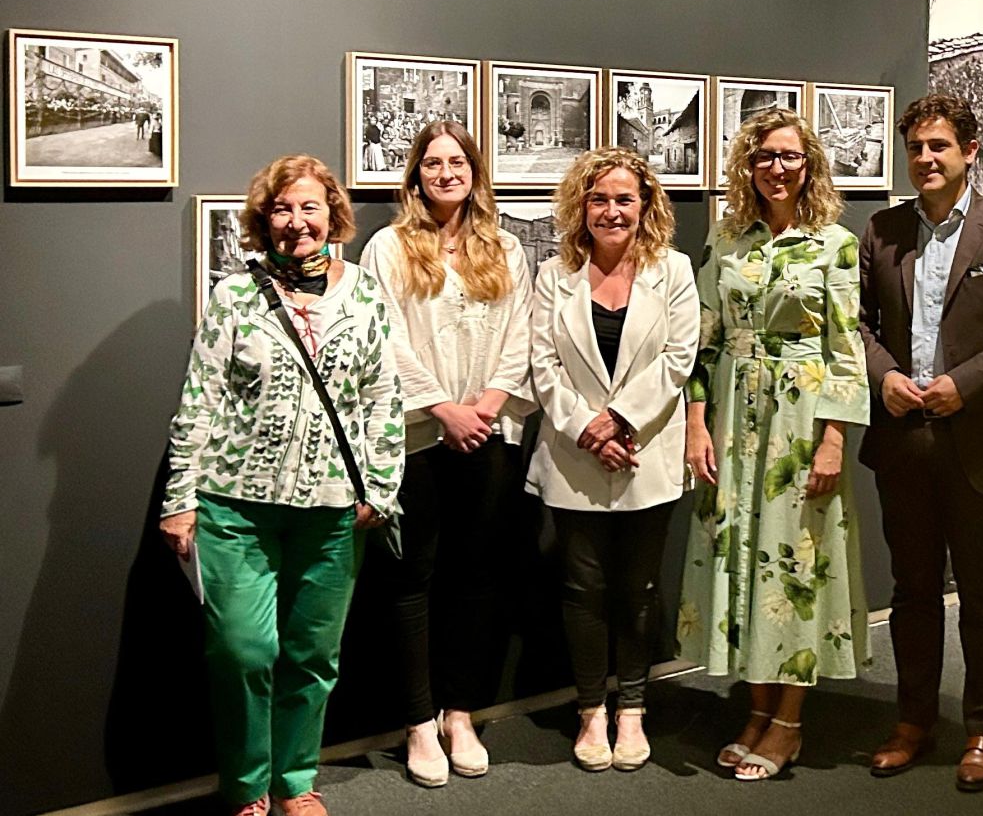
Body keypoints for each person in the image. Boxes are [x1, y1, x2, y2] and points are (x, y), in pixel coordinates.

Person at [157, 155, 405, 816]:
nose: (297, 222)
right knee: (243, 649)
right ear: (264, 220)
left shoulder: (366, 295)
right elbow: (200, 398)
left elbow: (384, 394)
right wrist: (179, 498)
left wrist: (382, 485)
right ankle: (246, 785)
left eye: (310, 207)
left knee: (313, 654)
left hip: (332, 511)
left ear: (334, 215)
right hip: (236, 507)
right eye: (282, 209)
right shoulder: (234, 297)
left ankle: (296, 780)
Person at [856, 93, 983, 791]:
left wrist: (964, 382)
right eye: (916, 147)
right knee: (912, 590)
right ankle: (913, 719)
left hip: (980, 439)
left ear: (969, 151)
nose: (926, 158)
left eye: (939, 145)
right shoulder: (881, 231)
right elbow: (857, 325)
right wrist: (883, 375)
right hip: (902, 439)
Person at [677, 108, 870, 782]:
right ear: (748, 166)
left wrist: (833, 441)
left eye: (789, 156)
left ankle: (788, 719)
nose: (777, 168)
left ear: (809, 163)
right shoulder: (728, 240)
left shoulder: (834, 244)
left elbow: (846, 352)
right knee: (740, 555)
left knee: (793, 564)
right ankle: (756, 709)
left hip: (801, 423)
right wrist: (697, 422)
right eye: (765, 157)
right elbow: (702, 337)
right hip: (733, 417)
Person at [358, 121, 534, 786]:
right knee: (411, 579)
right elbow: (385, 336)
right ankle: (418, 722)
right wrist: (443, 407)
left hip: (488, 432)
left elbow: (521, 331)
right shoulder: (388, 247)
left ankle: (460, 710)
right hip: (417, 437)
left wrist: (487, 402)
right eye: (432, 162)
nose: (445, 171)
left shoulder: (507, 247)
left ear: (474, 170)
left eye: (456, 160)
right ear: (415, 175)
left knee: (477, 574)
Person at [526, 147, 698, 772]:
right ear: (581, 206)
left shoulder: (674, 270)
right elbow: (541, 364)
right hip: (576, 457)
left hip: (645, 452)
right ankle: (590, 710)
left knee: (639, 586)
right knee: (582, 588)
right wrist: (588, 428)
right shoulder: (553, 276)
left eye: (624, 199)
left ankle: (633, 707)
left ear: (645, 205)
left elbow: (679, 359)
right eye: (599, 199)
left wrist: (621, 421)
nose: (611, 210)